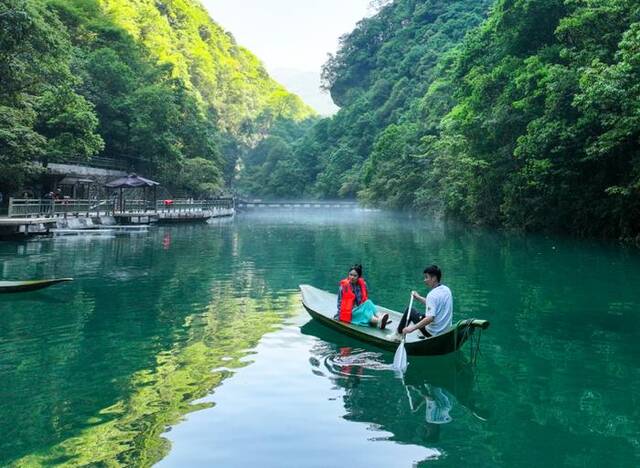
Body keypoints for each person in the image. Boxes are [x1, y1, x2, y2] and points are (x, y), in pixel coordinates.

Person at [396, 265, 452, 339]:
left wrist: (412, 328)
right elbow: (433, 305)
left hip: (432, 333)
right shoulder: (447, 290)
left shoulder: (432, 295)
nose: (424, 280)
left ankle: (397, 335)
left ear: (434, 278)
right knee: (423, 315)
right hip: (445, 331)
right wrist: (418, 297)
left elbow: (430, 318)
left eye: (426, 277)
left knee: (410, 311)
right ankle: (420, 332)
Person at [336, 264, 390, 329]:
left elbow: (364, 300)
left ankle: (379, 317)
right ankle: (378, 321)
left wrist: (362, 308)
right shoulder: (343, 287)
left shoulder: (363, 285)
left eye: (355, 276)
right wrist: (342, 315)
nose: (352, 277)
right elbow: (339, 304)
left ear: (359, 277)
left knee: (368, 302)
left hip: (359, 308)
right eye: (350, 275)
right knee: (363, 312)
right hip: (348, 312)